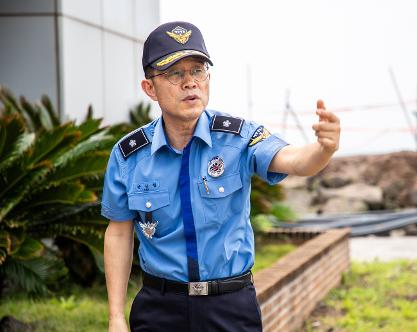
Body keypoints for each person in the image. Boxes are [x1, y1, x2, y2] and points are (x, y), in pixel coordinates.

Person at [102, 21, 341, 332]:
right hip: (160, 309)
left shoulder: (238, 138)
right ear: (150, 88)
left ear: (208, 78)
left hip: (229, 307)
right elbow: (119, 233)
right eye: (175, 73)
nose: (190, 82)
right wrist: (116, 317)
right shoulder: (129, 156)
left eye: (198, 70)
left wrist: (323, 150)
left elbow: (294, 160)